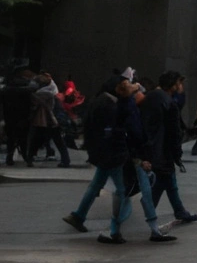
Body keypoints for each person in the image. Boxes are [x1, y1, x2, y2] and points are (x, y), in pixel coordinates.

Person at [63, 76, 175, 243]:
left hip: (112, 153)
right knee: (127, 191)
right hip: (119, 154)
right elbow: (130, 131)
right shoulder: (120, 106)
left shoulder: (110, 103)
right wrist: (141, 154)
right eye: (134, 88)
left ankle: (82, 217)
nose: (140, 92)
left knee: (102, 186)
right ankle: (124, 230)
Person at [142, 72, 197, 223]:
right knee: (163, 180)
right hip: (162, 150)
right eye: (179, 83)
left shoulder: (151, 96)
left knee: (168, 180)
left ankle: (179, 210)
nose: (181, 87)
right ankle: (151, 211)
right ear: (173, 84)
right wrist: (177, 154)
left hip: (152, 146)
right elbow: (173, 133)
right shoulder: (169, 103)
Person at [28, 73, 72, 167]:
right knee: (59, 142)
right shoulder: (53, 94)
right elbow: (58, 108)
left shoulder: (36, 95)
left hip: (40, 121)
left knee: (35, 141)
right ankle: (66, 160)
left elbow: (33, 108)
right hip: (53, 121)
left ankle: (29, 159)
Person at [2, 69, 36, 166]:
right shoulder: (25, 90)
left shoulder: (6, 90)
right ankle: (27, 158)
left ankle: (10, 157)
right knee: (23, 139)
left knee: (11, 139)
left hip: (9, 117)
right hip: (23, 117)